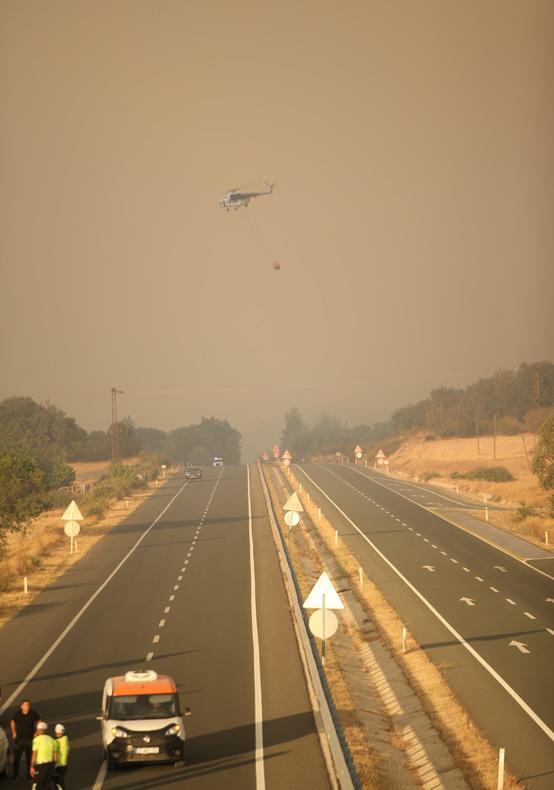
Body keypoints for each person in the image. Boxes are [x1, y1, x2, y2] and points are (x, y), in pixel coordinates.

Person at [10, 699, 40, 780]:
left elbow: (39, 721)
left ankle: (29, 776)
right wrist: (14, 732)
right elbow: (12, 722)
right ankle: (15, 775)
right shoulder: (18, 714)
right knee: (16, 759)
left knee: (29, 759)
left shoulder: (33, 713)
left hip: (30, 740)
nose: (27, 707)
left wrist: (37, 731)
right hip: (19, 740)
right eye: (25, 705)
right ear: (21, 706)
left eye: (28, 705)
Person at [30, 721, 56, 789]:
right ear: (46, 730)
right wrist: (53, 765)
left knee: (40, 784)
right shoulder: (52, 740)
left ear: (37, 730)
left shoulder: (36, 740)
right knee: (48, 785)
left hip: (41, 766)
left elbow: (34, 754)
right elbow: (55, 756)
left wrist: (32, 766)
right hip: (50, 765)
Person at [53, 724, 70, 789]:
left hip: (58, 765)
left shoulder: (56, 741)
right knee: (60, 781)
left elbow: (55, 754)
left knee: (57, 782)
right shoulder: (65, 738)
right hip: (64, 764)